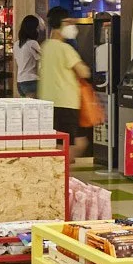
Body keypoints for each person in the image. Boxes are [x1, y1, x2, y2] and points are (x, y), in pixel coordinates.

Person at [38, 8, 91, 160]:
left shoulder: (45, 46)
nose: (72, 26)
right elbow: (84, 72)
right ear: (62, 23)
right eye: (69, 22)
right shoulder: (65, 49)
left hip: (48, 101)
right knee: (70, 144)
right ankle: (62, 175)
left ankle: (62, 173)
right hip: (67, 102)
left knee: (63, 142)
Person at [14, 14, 42, 98]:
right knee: (33, 109)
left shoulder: (16, 44)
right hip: (31, 81)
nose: (38, 30)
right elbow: (42, 58)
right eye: (37, 27)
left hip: (20, 82)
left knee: (26, 109)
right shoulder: (32, 43)